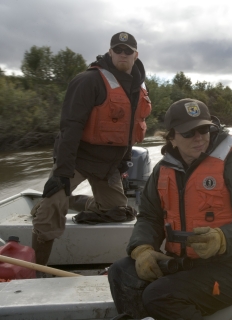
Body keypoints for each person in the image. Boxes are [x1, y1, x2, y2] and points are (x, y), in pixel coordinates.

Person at [108, 98, 232, 319]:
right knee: (121, 272)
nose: (199, 138)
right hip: (181, 263)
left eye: (204, 129)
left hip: (229, 270)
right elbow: (149, 217)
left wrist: (222, 238)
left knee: (160, 295)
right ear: (172, 138)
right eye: (189, 133)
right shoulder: (162, 172)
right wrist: (143, 249)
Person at [30, 31, 151, 270]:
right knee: (50, 215)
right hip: (77, 159)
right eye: (118, 50)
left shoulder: (137, 87)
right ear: (110, 52)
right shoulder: (88, 80)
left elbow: (128, 130)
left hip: (107, 165)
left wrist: (124, 160)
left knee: (119, 212)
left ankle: (70, 200)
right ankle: (37, 270)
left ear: (136, 55)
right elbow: (70, 129)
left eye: (128, 51)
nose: (123, 54)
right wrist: (62, 173)